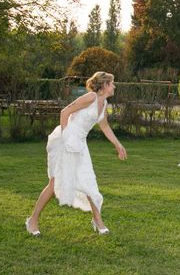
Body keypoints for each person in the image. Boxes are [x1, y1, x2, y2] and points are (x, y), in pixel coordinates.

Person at [25, 71, 127, 236]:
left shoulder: (104, 103)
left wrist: (118, 145)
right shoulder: (91, 98)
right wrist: (66, 138)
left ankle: (98, 221)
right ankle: (32, 220)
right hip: (66, 140)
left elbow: (105, 126)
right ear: (105, 85)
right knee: (55, 183)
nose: (114, 86)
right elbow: (64, 112)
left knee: (88, 182)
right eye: (112, 83)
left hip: (80, 144)